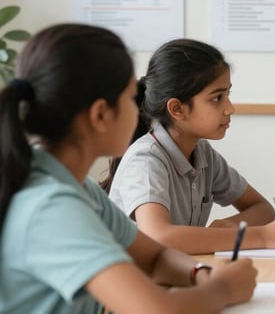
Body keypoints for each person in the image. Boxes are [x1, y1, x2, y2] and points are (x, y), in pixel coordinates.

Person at [0, 24, 256, 313]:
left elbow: (155, 257)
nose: (140, 111)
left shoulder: (74, 185)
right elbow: (154, 310)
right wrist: (222, 289)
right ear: (100, 115)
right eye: (129, 99)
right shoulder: (50, 206)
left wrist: (202, 274)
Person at [106, 39, 275, 254]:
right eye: (216, 98)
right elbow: (160, 237)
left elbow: (262, 209)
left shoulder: (203, 154)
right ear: (177, 109)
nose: (229, 108)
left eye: (228, 95)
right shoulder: (146, 160)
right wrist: (263, 236)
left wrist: (230, 227)